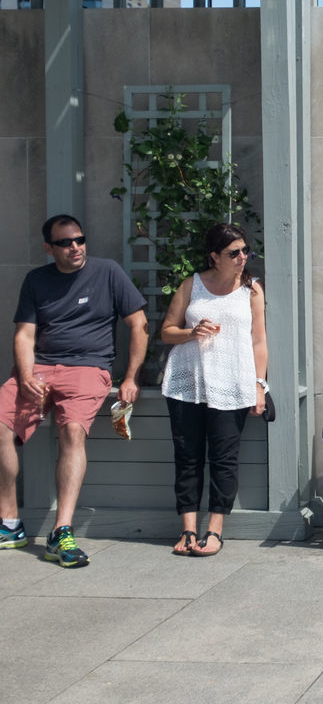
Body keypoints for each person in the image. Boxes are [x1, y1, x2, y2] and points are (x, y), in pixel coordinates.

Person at [0, 215, 147, 567]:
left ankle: (60, 532)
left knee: (72, 432)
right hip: (39, 367)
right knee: (0, 429)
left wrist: (130, 378)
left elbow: (139, 324)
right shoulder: (37, 279)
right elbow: (24, 335)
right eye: (65, 243)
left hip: (88, 367)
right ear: (49, 248)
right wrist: (24, 374)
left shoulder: (107, 272)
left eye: (79, 239)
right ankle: (9, 524)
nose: (75, 247)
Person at [160, 224, 267, 557]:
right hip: (187, 383)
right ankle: (188, 530)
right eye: (233, 252)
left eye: (244, 251)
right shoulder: (192, 285)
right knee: (188, 457)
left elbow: (259, 341)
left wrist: (259, 385)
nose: (242, 258)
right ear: (214, 256)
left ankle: (215, 531)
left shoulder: (251, 289)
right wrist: (191, 333)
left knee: (224, 459)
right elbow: (166, 332)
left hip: (232, 384)